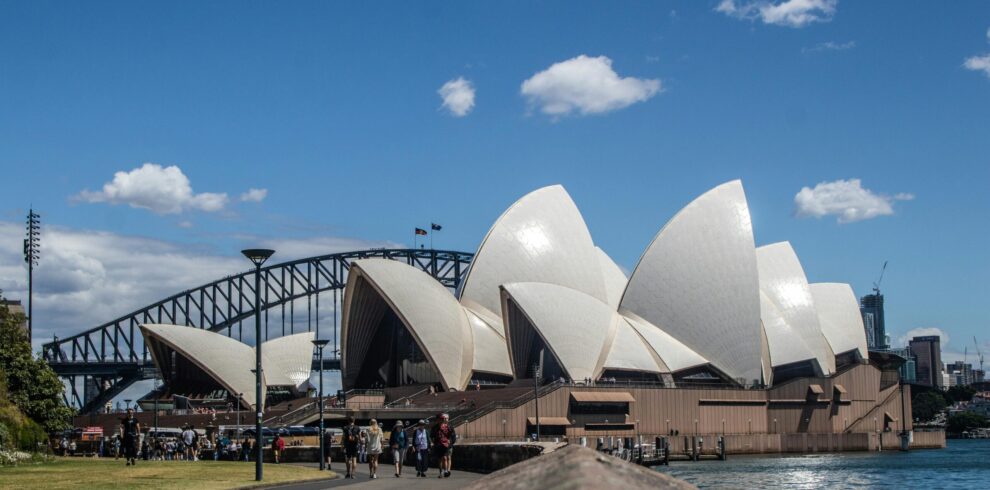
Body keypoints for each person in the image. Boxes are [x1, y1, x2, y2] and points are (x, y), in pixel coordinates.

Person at [430, 413, 455, 478]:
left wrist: (450, 440)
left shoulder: (447, 426)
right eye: (441, 419)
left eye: (443, 419)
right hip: (438, 445)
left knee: (445, 457)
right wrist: (434, 443)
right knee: (440, 459)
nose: (442, 420)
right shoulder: (435, 428)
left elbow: (451, 434)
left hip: (445, 444)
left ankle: (446, 471)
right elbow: (431, 436)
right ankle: (441, 472)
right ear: (438, 420)